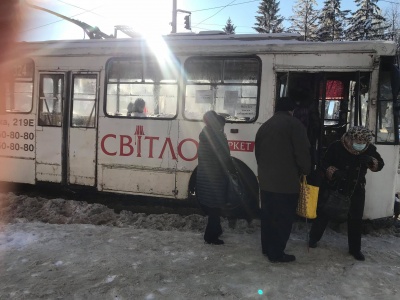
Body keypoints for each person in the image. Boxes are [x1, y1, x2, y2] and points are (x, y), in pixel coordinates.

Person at [309, 126, 384, 261]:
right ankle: (313, 238)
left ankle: (355, 249)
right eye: (358, 141)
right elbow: (323, 163)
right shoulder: (337, 146)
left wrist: (371, 162)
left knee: (355, 219)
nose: (360, 145)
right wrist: (334, 172)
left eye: (364, 143)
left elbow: (380, 164)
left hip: (357, 189)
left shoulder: (369, 149)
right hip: (336, 186)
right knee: (325, 213)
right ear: (350, 138)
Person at [255, 97, 311, 263]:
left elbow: (257, 153)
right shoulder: (295, 125)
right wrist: (306, 171)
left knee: (268, 217)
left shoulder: (264, 126)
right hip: (286, 184)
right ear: (291, 110)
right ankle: (276, 253)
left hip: (266, 183)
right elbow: (302, 153)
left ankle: (267, 248)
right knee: (282, 219)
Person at [196, 110, 236, 245]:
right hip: (216, 177)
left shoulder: (205, 134)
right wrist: (232, 170)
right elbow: (224, 157)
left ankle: (216, 231)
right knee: (215, 207)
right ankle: (210, 236)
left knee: (214, 207)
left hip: (206, 175)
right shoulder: (217, 137)